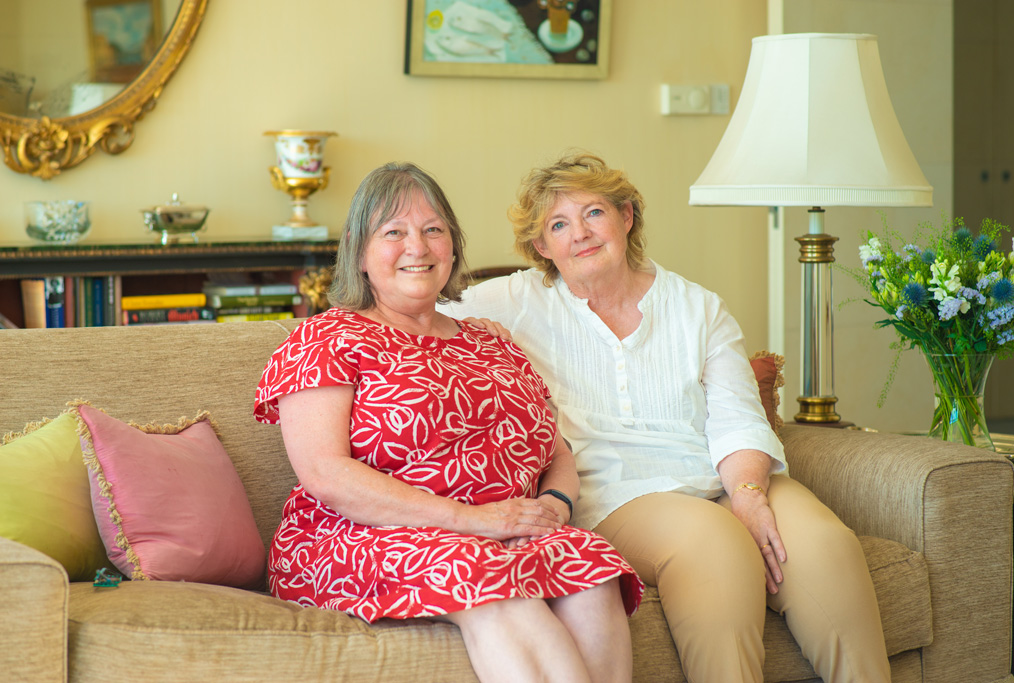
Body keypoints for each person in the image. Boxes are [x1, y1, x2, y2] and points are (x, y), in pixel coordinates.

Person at [439, 152, 891, 683]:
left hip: (723, 475)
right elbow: (412, 312)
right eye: (558, 225)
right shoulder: (513, 300)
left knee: (823, 548)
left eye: (593, 213)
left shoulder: (698, 307)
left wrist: (747, 494)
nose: (579, 234)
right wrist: (463, 336)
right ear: (542, 247)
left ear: (626, 217)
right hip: (613, 493)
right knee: (713, 544)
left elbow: (738, 417)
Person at [253, 161, 643, 683]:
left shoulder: (490, 341)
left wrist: (553, 506)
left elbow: (555, 451)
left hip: (503, 529)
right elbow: (325, 474)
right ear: (359, 251)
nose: (417, 247)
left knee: (590, 568)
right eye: (394, 232)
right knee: (490, 581)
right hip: (363, 536)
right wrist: (477, 522)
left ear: (453, 246)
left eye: (433, 230)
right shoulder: (327, 339)